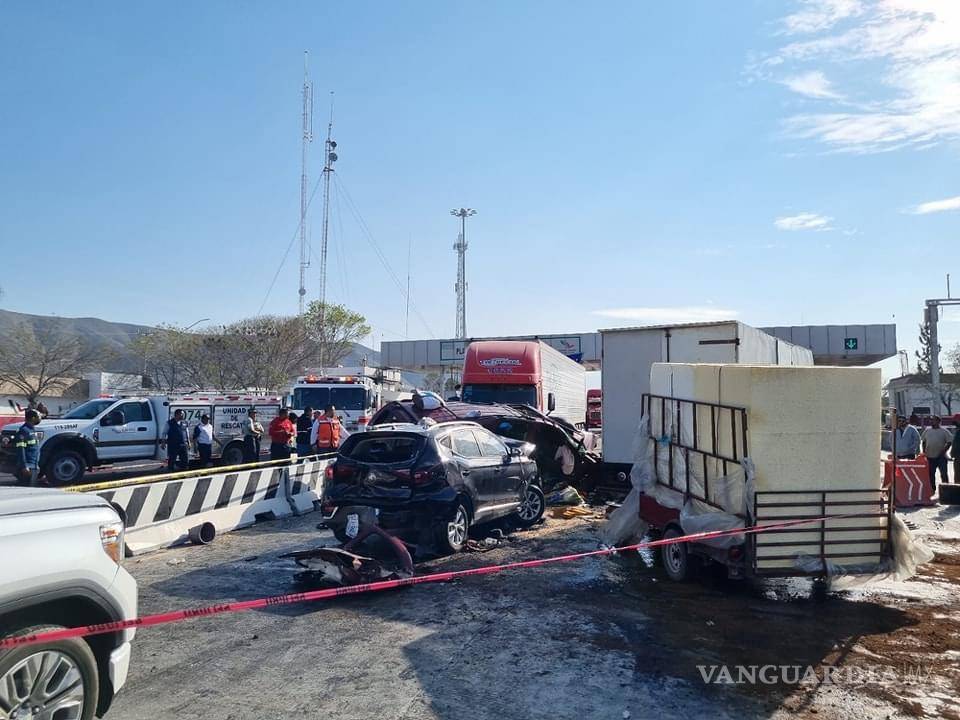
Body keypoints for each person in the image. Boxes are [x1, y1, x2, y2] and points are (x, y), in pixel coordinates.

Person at [921, 415, 952, 494]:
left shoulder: (944, 431)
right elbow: (923, 441)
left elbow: (949, 442)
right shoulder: (927, 431)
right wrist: (924, 452)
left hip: (941, 457)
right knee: (931, 474)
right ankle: (932, 490)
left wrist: (943, 451)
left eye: (933, 420)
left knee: (944, 474)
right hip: (929, 457)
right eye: (931, 420)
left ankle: (946, 491)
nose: (931, 422)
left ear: (938, 422)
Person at [14, 409, 41, 486]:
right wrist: (24, 466)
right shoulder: (23, 431)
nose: (39, 419)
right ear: (33, 418)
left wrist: (37, 465)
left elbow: (35, 448)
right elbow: (21, 449)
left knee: (32, 491)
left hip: (34, 465)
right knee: (25, 490)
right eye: (38, 417)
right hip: (27, 467)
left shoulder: (32, 430)